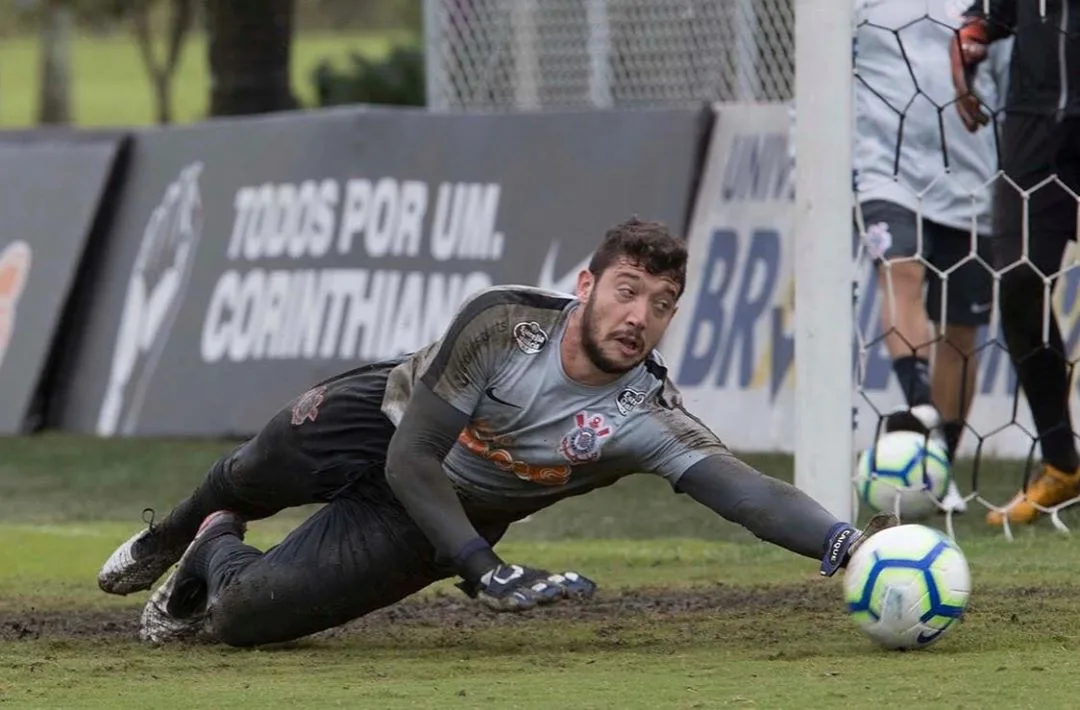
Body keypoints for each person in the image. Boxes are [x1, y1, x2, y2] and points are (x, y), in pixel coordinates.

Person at [97, 217, 896, 647]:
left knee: (244, 620)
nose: (639, 316)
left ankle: (214, 546)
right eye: (626, 289)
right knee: (260, 464)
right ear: (585, 285)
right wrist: (483, 569)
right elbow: (412, 454)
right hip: (386, 420)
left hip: (445, 508)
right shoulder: (503, 324)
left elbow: (744, 490)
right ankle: (167, 534)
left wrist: (846, 546)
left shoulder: (647, 415)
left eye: (661, 303)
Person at [854, 0, 1012, 514]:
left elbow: (1006, 77)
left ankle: (939, 458)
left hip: (971, 181)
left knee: (962, 332)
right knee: (900, 271)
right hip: (884, 168)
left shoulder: (988, 5)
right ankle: (919, 407)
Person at [951, 0, 1080, 525]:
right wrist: (968, 43)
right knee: (1019, 283)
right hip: (1031, 130)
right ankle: (1061, 462)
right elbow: (987, 19)